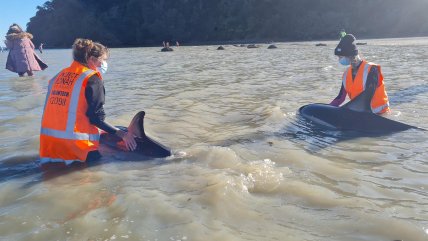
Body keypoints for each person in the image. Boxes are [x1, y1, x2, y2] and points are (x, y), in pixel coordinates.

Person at [40, 38, 137, 164]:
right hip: (77, 149)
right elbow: (95, 118)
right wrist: (123, 134)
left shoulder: (57, 76)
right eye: (103, 60)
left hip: (49, 146)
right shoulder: (92, 79)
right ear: (91, 60)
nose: (103, 64)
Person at [330, 34, 390, 114]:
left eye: (341, 57)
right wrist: (327, 109)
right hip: (360, 114)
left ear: (351, 56)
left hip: (380, 115)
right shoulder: (346, 74)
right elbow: (340, 98)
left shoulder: (372, 69)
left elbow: (368, 94)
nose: (339, 60)